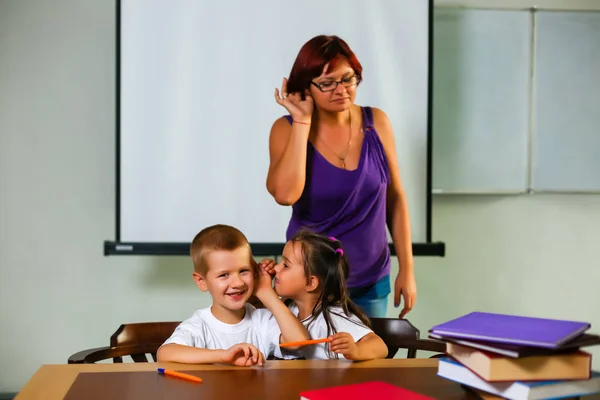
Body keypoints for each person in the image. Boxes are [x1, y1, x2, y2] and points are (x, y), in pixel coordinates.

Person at [265, 34, 416, 318]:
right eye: (327, 83)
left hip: (371, 279)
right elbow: (285, 195)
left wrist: (407, 270)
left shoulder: (377, 122)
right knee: (307, 360)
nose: (342, 90)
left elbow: (395, 200)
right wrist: (302, 121)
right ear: (305, 86)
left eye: (348, 79)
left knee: (367, 358)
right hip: (309, 282)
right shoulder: (285, 129)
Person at [157, 224, 310, 366]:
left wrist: (265, 291)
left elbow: (298, 341)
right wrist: (224, 356)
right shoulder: (200, 325)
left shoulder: (262, 320)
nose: (237, 283)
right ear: (201, 281)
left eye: (244, 271)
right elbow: (164, 353)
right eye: (224, 275)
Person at [264, 230, 388, 361]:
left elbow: (380, 347)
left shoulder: (332, 318)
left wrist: (355, 350)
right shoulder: (288, 306)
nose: (276, 268)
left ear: (310, 282)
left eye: (286, 265)